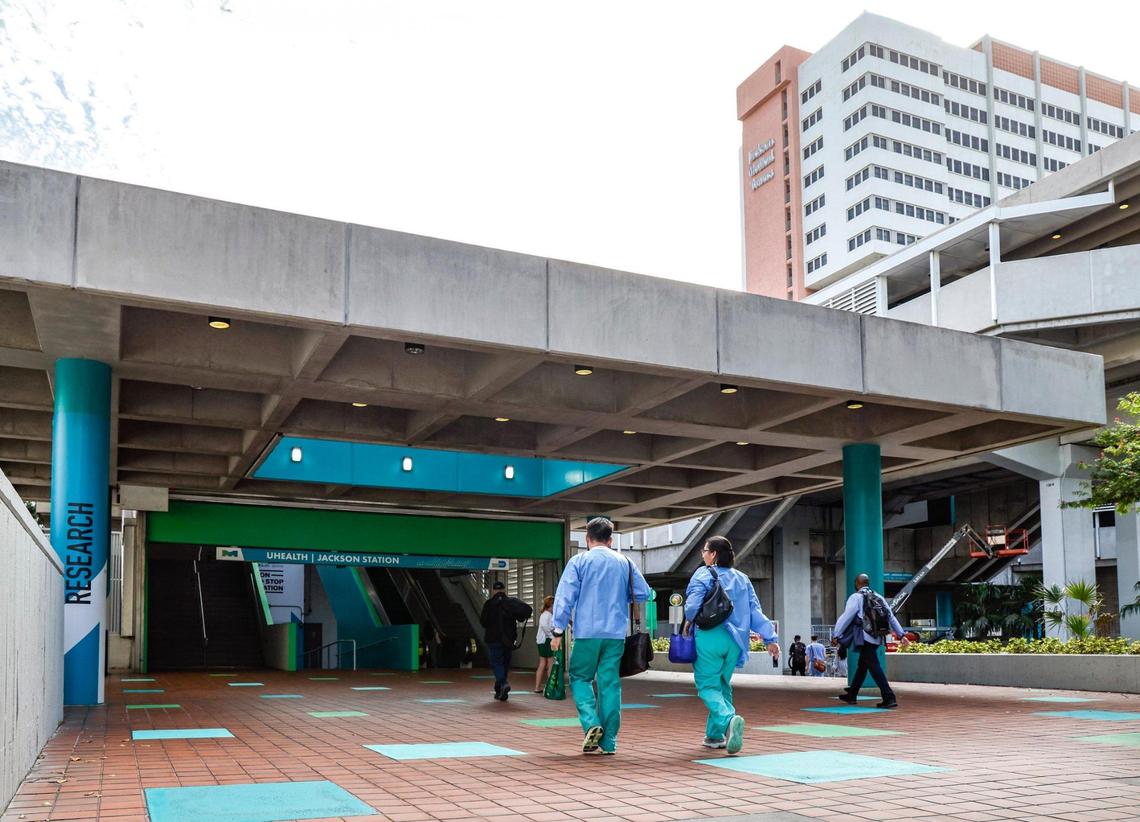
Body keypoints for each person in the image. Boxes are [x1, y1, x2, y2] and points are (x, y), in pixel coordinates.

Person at [550, 517, 651, 755]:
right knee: (609, 685)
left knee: (579, 678)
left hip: (587, 633)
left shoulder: (579, 561)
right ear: (610, 539)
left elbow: (565, 598)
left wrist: (557, 631)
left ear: (587, 538)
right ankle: (609, 741)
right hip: (616, 634)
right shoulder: (625, 562)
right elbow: (643, 593)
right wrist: (620, 598)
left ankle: (591, 723)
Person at [683, 536, 779, 755]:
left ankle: (728, 720)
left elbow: (691, 610)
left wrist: (689, 619)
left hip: (709, 636)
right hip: (736, 641)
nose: (703, 554)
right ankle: (715, 736)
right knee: (723, 685)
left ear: (713, 554)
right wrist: (770, 639)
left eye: (705, 551)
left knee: (707, 686)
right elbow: (755, 612)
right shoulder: (743, 579)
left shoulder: (703, 574)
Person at [834, 573, 908, 709]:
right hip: (877, 636)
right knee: (863, 666)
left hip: (864, 637)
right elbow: (890, 616)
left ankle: (889, 697)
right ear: (868, 583)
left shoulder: (856, 597)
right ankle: (852, 693)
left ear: (857, 584)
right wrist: (901, 634)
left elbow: (847, 617)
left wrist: (836, 634)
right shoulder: (878, 597)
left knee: (874, 666)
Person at [479, 580, 532, 702]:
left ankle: (503, 684)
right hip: (508, 640)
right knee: (505, 664)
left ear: (493, 591)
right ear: (504, 590)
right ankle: (500, 691)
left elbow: (483, 621)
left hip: (493, 639)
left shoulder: (489, 604)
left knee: (497, 663)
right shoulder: (510, 603)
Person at [534, 595, 556, 692]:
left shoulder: (545, 614)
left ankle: (538, 687)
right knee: (550, 663)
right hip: (546, 640)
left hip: (542, 641)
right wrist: (552, 637)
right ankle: (550, 687)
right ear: (551, 605)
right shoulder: (547, 614)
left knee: (543, 663)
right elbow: (544, 627)